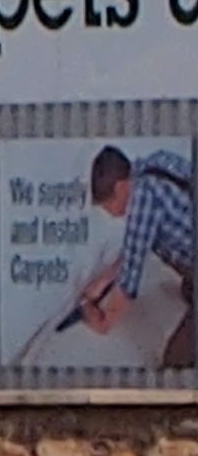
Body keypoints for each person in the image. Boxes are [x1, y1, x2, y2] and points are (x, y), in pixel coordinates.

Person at [76, 144, 198, 353]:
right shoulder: (157, 160)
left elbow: (130, 279)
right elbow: (140, 242)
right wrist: (104, 280)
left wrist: (102, 321)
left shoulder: (142, 198)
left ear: (120, 188)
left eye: (108, 207)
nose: (113, 215)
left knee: (175, 361)